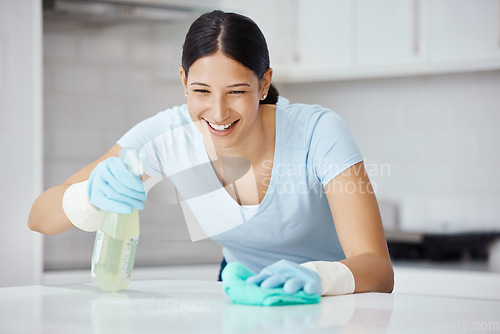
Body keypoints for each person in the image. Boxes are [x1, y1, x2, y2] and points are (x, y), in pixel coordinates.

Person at [28, 10, 393, 296]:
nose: (218, 113)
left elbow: (377, 268)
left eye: (236, 91)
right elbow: (39, 217)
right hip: (242, 295)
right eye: (202, 91)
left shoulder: (318, 133)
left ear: (263, 83)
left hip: (333, 299)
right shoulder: (166, 138)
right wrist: (86, 197)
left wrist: (317, 276)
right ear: (184, 82)